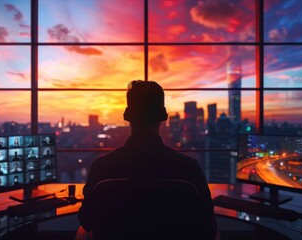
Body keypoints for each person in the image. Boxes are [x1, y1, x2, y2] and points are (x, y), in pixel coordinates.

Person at [78, 80, 217, 240]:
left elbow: (87, 221)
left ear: (127, 115)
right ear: (163, 116)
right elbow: (208, 228)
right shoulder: (189, 168)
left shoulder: (102, 167)